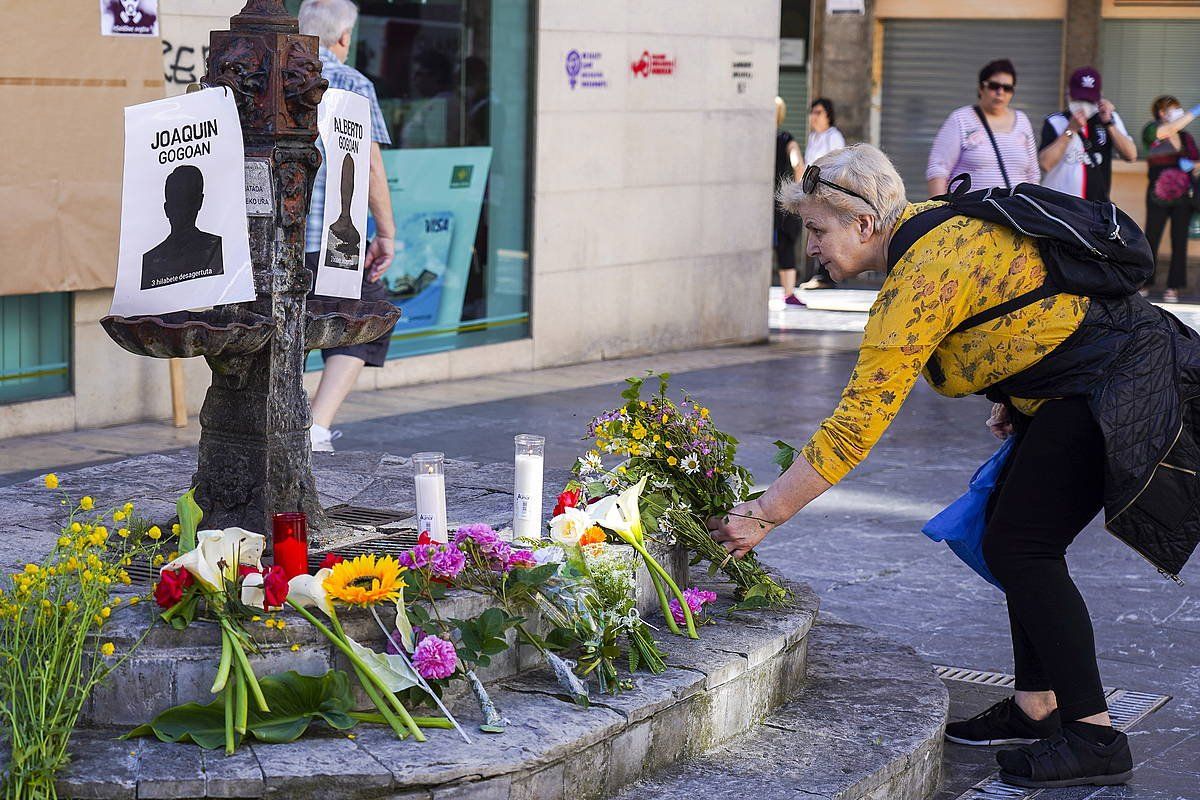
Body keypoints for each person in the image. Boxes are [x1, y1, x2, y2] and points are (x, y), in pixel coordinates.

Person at [711, 143, 1200, 788]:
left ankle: (1094, 735)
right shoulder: (938, 223)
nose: (811, 248)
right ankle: (1036, 706)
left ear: (863, 223)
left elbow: (859, 421)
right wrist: (1012, 395)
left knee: (1023, 545)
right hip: (1088, 379)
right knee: (1011, 532)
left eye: (817, 229)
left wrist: (769, 510)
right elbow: (1023, 299)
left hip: (1116, 383)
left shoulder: (919, 275)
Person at [299, 0, 398, 452]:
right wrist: (387, 233)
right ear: (343, 38)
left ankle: (284, 423)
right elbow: (371, 169)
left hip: (268, 243)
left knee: (281, 328)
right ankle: (316, 427)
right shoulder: (351, 84)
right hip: (336, 239)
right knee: (365, 316)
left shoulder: (268, 80)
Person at [927, 59, 1040, 197]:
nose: (1000, 92)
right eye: (994, 86)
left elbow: (1033, 174)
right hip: (971, 213)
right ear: (981, 88)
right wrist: (938, 209)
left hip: (1014, 212)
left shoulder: (1022, 120)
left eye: (1007, 88)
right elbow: (938, 169)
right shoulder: (960, 119)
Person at [1039, 67, 1137, 202]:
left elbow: (1131, 155)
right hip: (1059, 205)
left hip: (1095, 208)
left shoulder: (1109, 119)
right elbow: (1045, 163)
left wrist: (1109, 123)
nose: (1084, 105)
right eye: (1079, 99)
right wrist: (1070, 130)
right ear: (1069, 94)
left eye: (1089, 100)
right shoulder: (1055, 121)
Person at [1141, 95, 1200, 303]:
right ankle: (1145, 283)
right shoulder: (1152, 130)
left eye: (1179, 108)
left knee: (1179, 240)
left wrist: (1193, 165)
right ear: (1161, 113)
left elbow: (1197, 162)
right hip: (1157, 195)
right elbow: (1167, 131)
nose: (1178, 111)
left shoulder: (1186, 137)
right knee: (1151, 238)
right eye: (1173, 109)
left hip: (1183, 197)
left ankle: (1173, 287)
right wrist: (1195, 111)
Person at [141, 165, 224, 290]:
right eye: (177, 203)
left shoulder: (217, 248)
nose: (182, 211)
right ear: (166, 208)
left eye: (187, 201)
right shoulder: (149, 260)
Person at [798, 98, 846, 291]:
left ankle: (826, 275)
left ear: (828, 116)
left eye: (818, 112)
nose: (814, 117)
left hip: (827, 194)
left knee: (826, 234)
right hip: (813, 195)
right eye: (812, 112)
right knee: (816, 234)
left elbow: (838, 165)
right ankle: (821, 274)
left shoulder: (833, 136)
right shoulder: (813, 137)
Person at [774, 97, 805, 306]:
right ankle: (788, 292)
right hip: (778, 201)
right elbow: (798, 164)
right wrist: (797, 191)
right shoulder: (786, 138)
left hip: (757, 201)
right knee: (785, 244)